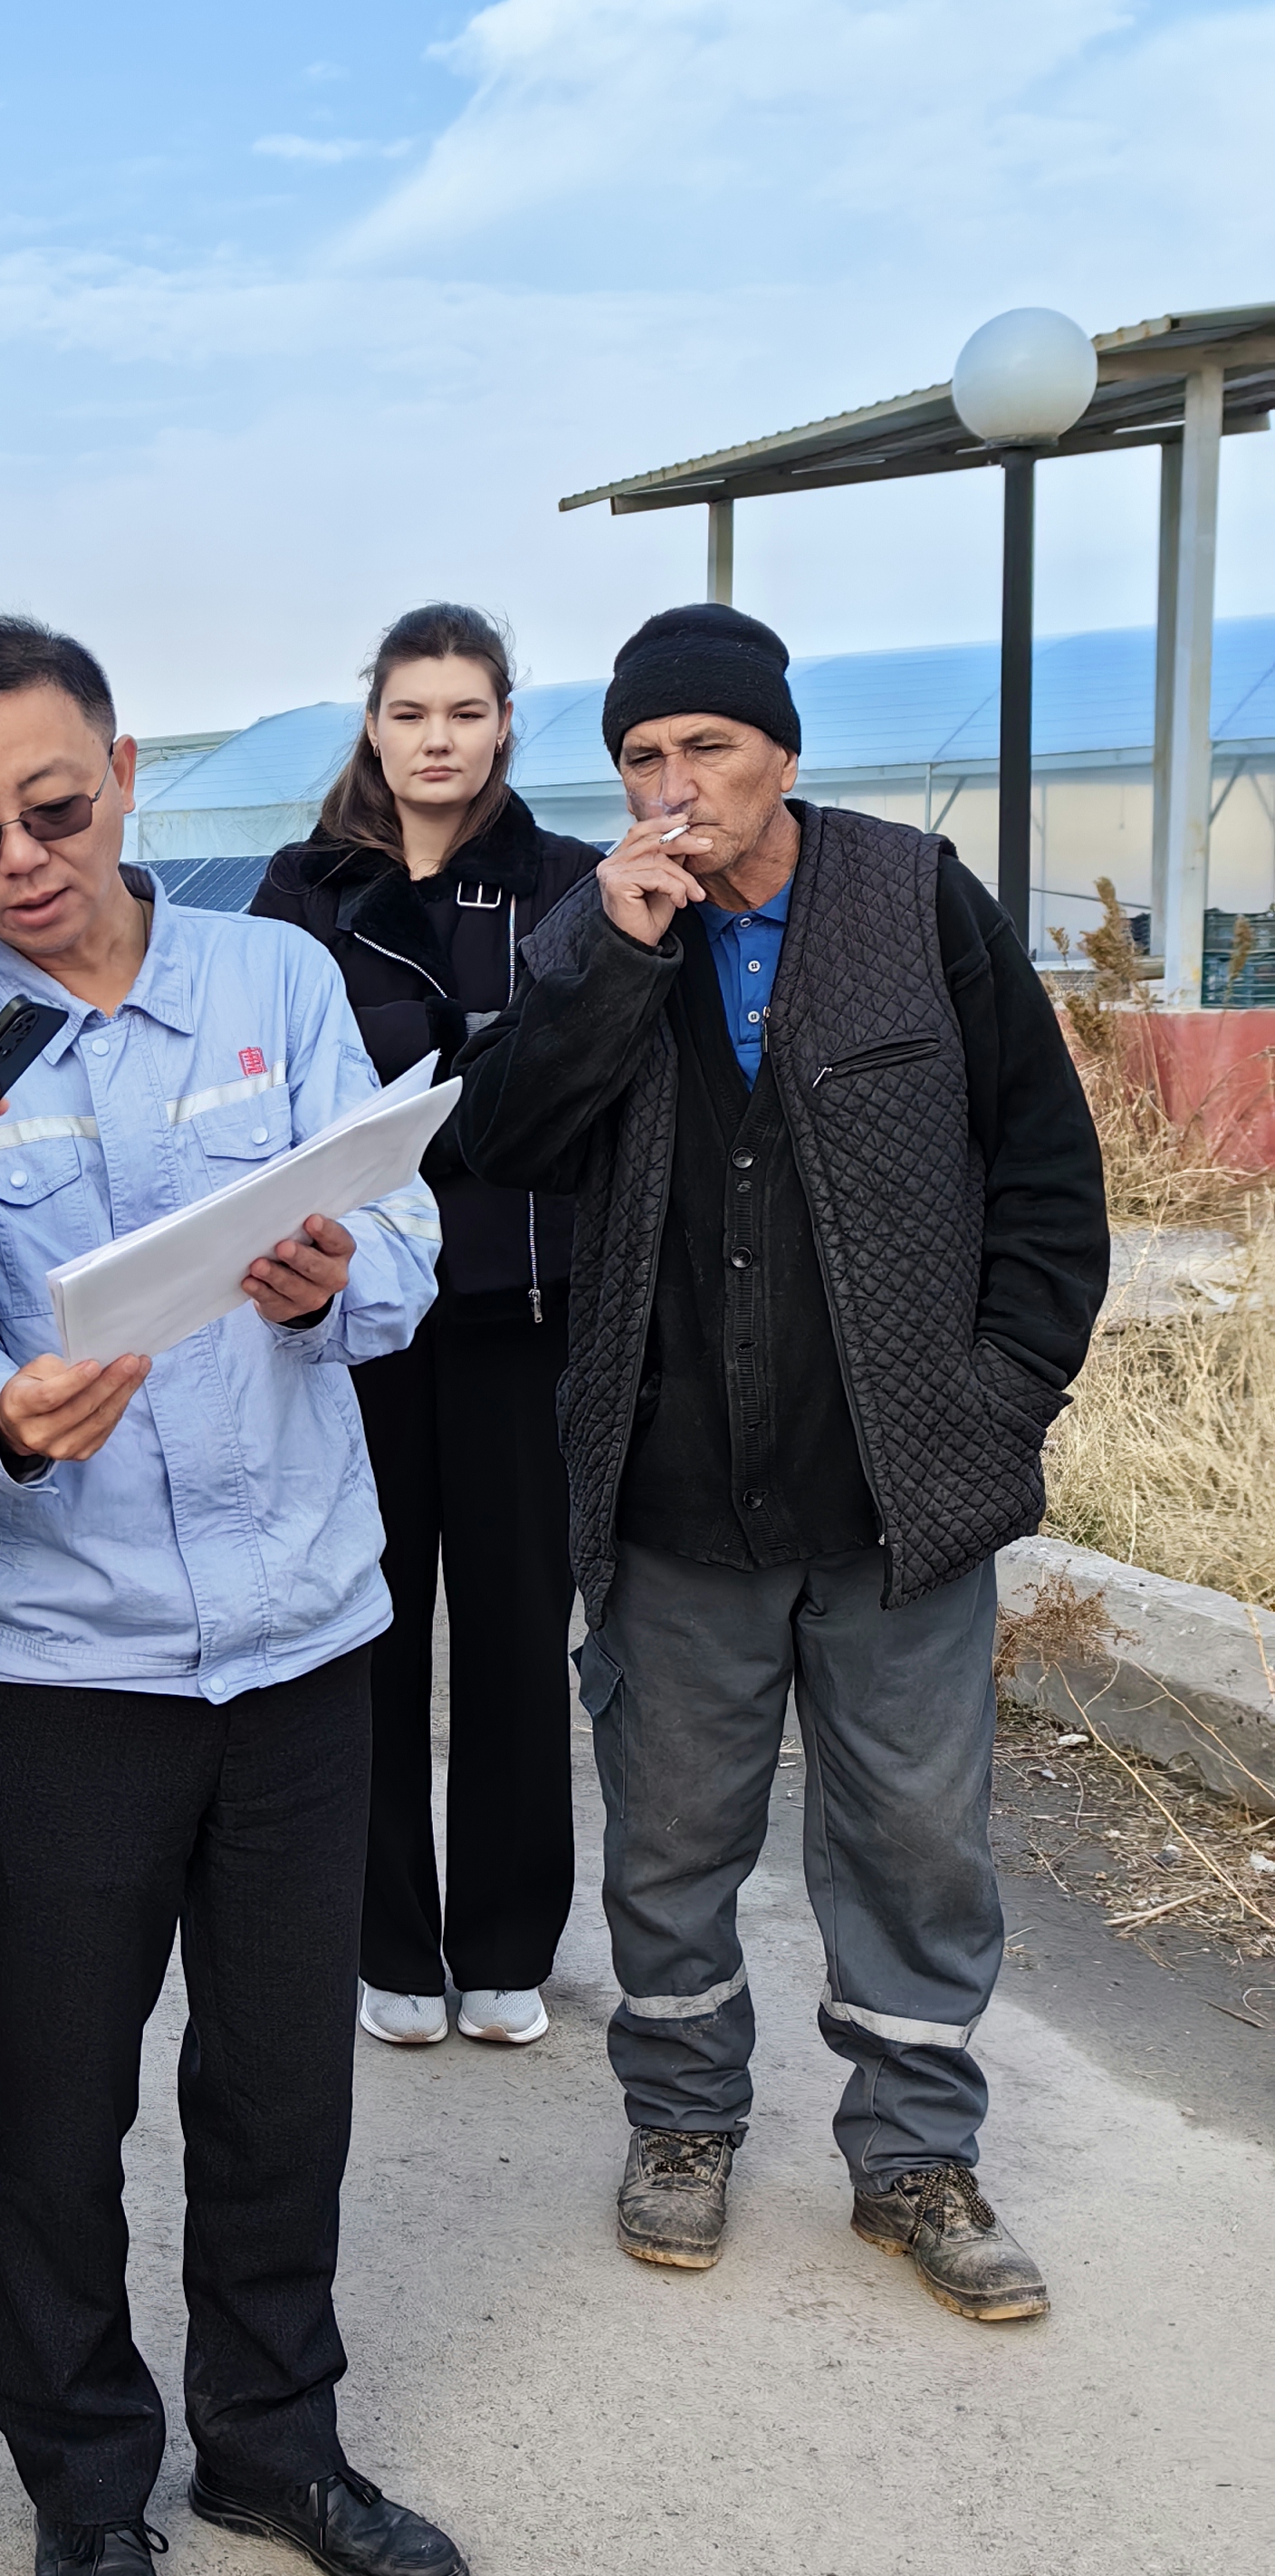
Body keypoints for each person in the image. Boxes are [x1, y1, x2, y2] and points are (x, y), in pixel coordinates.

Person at [0, 615, 471, 2576]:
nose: (20, 859)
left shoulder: (275, 982)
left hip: (301, 1637)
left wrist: (329, 1279)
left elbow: (402, 1229)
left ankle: (275, 2442)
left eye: (53, 806)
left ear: (122, 770)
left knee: (281, 2078)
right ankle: (86, 2481)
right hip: (70, 1663)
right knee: (63, 2087)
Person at [453, 603, 1107, 2316]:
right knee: (672, 1841)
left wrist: (1001, 1400)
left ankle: (916, 2158)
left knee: (919, 1845)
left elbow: (1046, 1169)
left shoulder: (917, 897)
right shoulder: (597, 924)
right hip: (672, 1492)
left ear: (784, 755)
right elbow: (504, 1137)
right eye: (641, 757)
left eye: (710, 748)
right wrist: (613, 959)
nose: (674, 785)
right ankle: (682, 2125)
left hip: (901, 1493)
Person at [253, 605, 599, 2052]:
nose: (437, 739)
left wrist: (459, 1092)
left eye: (465, 712)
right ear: (374, 725)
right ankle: (387, 1942)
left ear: (505, 722)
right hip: (359, 1322)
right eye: (411, 713)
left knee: (517, 1639)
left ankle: (508, 1946)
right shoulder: (306, 891)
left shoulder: (570, 883)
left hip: (525, 1314)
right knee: (368, 1633)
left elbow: (588, 1080)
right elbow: (270, 1090)